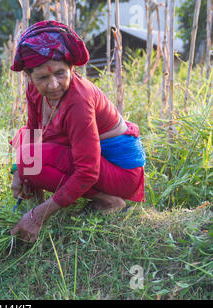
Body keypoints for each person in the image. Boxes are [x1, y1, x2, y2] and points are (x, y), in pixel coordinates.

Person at [9, 21, 146, 243]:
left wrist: (38, 217)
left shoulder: (78, 102)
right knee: (26, 158)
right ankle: (35, 201)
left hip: (119, 172)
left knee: (30, 162)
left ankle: (109, 201)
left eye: (61, 73)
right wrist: (18, 172)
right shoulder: (34, 90)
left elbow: (88, 171)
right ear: (28, 75)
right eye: (43, 77)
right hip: (95, 159)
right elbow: (33, 130)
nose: (53, 85)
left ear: (72, 68)